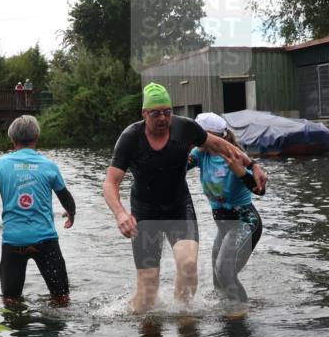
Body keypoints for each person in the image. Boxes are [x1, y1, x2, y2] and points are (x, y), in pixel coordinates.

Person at [103, 83, 268, 313]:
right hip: (145, 213)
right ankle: (146, 334)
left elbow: (220, 144)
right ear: (144, 113)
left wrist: (252, 165)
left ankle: (186, 324)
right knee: (148, 290)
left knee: (189, 266)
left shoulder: (185, 128)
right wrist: (120, 213)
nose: (163, 118)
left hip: (179, 208)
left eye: (167, 112)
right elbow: (110, 183)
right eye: (156, 113)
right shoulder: (130, 137)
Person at [0, 115, 75, 303]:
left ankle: (17, 327)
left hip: (13, 241)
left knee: (11, 300)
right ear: (37, 137)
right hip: (45, 240)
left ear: (12, 139)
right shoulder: (48, 165)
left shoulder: (0, 166)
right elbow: (66, 197)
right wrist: (71, 214)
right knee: (62, 297)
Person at [187, 113, 264, 303]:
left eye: (200, 133)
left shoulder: (234, 155)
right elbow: (177, 168)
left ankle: (241, 313)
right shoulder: (200, 153)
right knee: (218, 279)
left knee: (224, 273)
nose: (196, 138)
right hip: (224, 227)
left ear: (215, 135)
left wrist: (240, 172)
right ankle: (226, 314)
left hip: (245, 223)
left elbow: (259, 190)